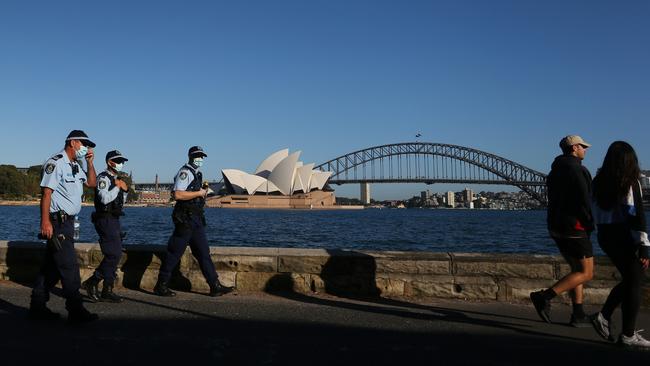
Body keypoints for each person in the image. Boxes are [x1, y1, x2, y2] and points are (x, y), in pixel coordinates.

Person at [29, 130, 99, 323]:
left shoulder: (75, 165)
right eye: (84, 144)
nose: (86, 148)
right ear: (73, 142)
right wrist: (45, 222)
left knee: (51, 268)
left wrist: (90, 163)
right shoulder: (56, 162)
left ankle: (37, 306)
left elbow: (92, 183)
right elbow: (46, 194)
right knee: (69, 267)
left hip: (68, 222)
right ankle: (75, 311)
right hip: (57, 222)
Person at [590, 141, 650, 348]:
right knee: (635, 281)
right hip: (623, 235)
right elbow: (636, 215)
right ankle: (626, 334)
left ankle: (604, 317)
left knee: (632, 279)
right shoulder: (630, 182)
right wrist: (644, 245)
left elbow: (595, 213)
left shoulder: (597, 182)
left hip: (605, 235)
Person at [530, 135, 594, 327]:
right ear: (574, 148)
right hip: (575, 227)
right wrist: (590, 224)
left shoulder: (555, 170)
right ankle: (545, 296)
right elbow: (584, 201)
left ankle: (578, 314)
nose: (586, 149)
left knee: (576, 271)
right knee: (586, 272)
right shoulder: (577, 169)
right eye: (583, 146)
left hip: (556, 226)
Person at [153, 146, 233, 297]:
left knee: (204, 253)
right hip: (185, 219)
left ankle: (214, 285)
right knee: (174, 253)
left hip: (196, 219)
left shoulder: (197, 174)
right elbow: (177, 194)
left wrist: (201, 195)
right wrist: (199, 192)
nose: (200, 159)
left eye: (202, 156)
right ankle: (161, 285)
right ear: (190, 156)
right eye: (198, 156)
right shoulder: (185, 173)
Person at [82, 150, 129, 303]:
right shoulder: (103, 177)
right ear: (110, 162)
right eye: (118, 160)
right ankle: (92, 282)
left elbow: (120, 202)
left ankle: (107, 290)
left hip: (114, 219)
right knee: (113, 254)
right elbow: (103, 198)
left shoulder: (116, 179)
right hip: (105, 219)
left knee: (115, 254)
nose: (121, 163)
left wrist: (124, 189)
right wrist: (117, 187)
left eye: (122, 161)